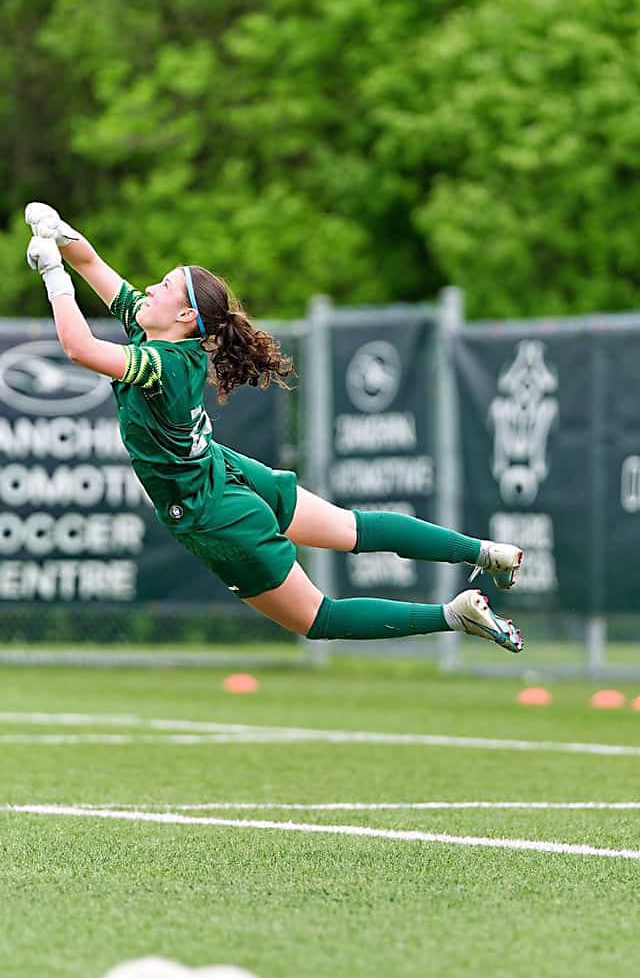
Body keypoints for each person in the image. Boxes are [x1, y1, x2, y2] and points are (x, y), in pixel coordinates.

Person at [24, 201, 524, 652]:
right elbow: (89, 260)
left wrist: (52, 274)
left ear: (184, 314)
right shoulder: (155, 327)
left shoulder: (162, 360)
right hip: (224, 472)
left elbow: (79, 348)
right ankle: (485, 551)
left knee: (317, 617)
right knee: (354, 527)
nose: (150, 287)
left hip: (210, 509)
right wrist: (59, 233)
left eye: (166, 286)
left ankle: (452, 616)